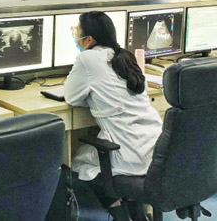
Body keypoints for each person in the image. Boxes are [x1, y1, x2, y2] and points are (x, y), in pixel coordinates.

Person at [64, 11, 162, 218]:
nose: (76, 36)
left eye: (78, 32)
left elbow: (71, 97)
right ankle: (137, 214)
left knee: (79, 161)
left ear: (89, 39)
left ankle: (120, 215)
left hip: (126, 152)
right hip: (156, 148)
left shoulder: (87, 58)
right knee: (92, 153)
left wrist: (91, 96)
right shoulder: (125, 56)